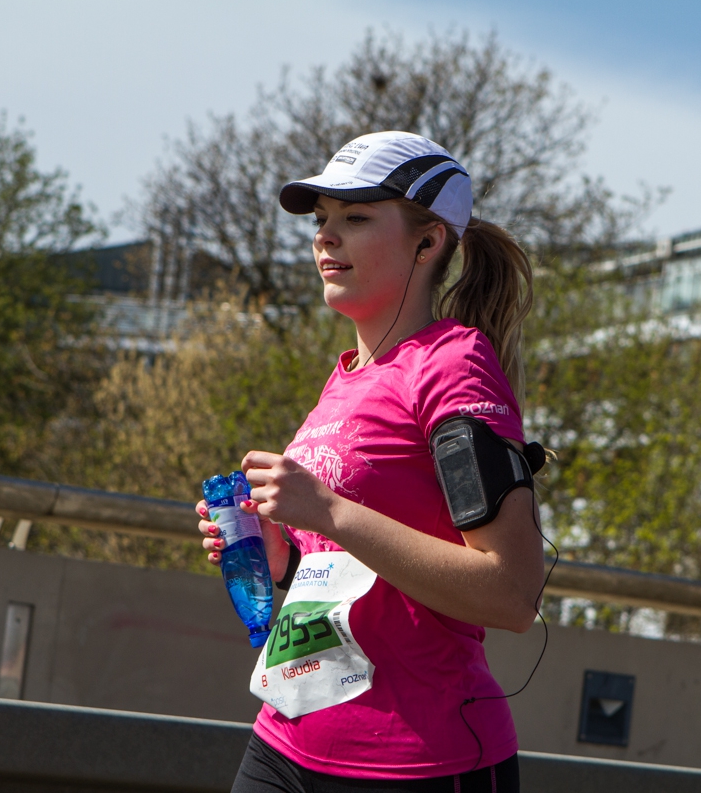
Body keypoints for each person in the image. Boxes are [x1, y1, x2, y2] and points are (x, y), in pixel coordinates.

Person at [196, 131, 545, 793]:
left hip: (418, 761)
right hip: (285, 739)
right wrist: (276, 550)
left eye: (355, 218)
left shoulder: (453, 363)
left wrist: (326, 508)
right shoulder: (347, 378)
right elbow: (350, 573)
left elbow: (512, 592)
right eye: (322, 220)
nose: (326, 237)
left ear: (427, 240)